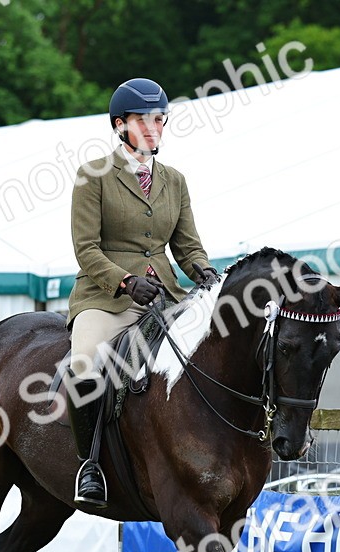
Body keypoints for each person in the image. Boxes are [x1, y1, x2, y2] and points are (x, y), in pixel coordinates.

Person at [66, 77, 216, 507]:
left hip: (164, 296)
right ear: (120, 125)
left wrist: (202, 270)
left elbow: (186, 246)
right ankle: (88, 464)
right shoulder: (93, 175)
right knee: (84, 362)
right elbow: (86, 249)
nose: (153, 128)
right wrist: (126, 281)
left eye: (159, 119)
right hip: (106, 298)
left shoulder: (175, 180)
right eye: (142, 120)